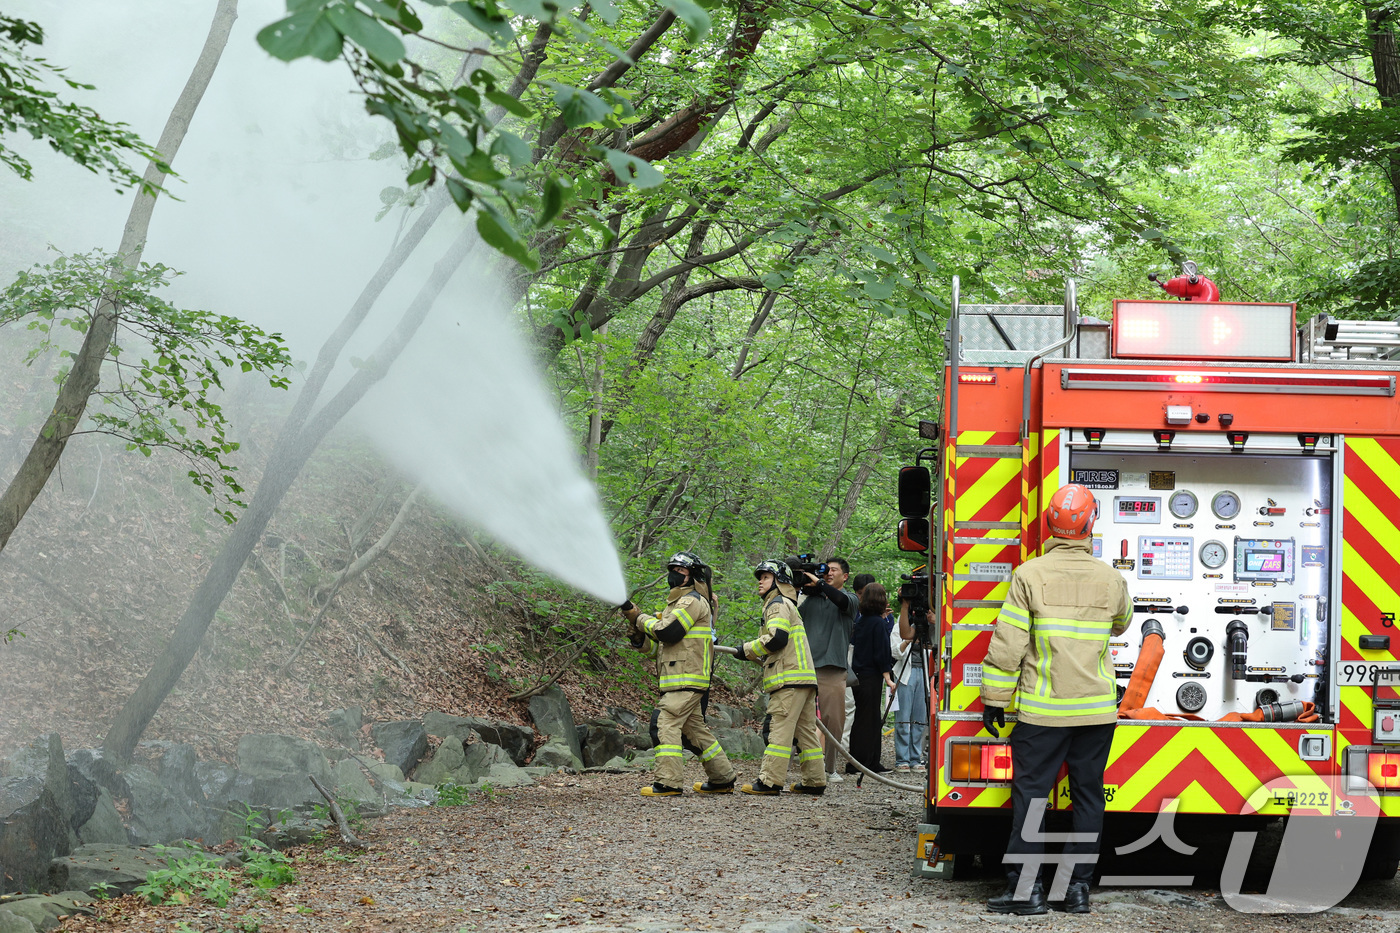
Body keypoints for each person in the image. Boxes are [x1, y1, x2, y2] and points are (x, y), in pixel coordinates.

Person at [980, 484, 1132, 915]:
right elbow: (1122, 623)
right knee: (1088, 797)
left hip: (1043, 713)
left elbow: (1008, 643)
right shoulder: (1111, 578)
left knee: (1032, 797)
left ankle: (1027, 891)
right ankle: (1075, 890)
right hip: (1096, 712)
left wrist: (995, 698)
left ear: (1049, 522)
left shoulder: (1029, 575)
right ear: (1090, 524)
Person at [619, 551, 737, 797]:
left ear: (692, 576)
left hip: (687, 678)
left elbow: (668, 632)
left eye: (679, 570)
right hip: (682, 678)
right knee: (694, 731)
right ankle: (722, 778)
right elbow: (663, 649)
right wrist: (640, 640)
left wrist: (639, 618)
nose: (673, 574)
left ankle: (669, 783)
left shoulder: (692, 601)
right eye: (672, 569)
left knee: (665, 722)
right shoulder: (677, 603)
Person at [732, 560, 826, 795]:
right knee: (805, 733)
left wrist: (747, 649)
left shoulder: (777, 604)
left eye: (765, 577)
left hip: (789, 680)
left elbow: (777, 638)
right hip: (804, 680)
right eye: (760, 578)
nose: (760, 582)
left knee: (780, 729)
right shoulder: (788, 604)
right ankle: (815, 781)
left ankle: (769, 782)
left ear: (779, 580)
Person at [792, 556, 857, 782]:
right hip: (805, 666)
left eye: (834, 570)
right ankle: (796, 764)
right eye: (826, 570)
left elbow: (840, 600)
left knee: (834, 720)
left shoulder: (849, 599)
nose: (828, 573)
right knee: (794, 716)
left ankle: (830, 768)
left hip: (833, 668)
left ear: (845, 576)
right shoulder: (809, 599)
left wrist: (820, 583)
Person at [847, 582, 896, 774]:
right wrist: (888, 678)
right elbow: (881, 653)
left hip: (858, 676)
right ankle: (866, 763)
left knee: (862, 719)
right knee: (870, 720)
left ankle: (860, 761)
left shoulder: (862, 621)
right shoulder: (878, 623)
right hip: (871, 677)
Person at [892, 596, 931, 773]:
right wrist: (908, 639)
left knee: (920, 719)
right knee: (903, 718)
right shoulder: (899, 625)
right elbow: (895, 652)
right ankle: (902, 759)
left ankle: (916, 758)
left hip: (924, 673)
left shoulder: (930, 626)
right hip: (905, 675)